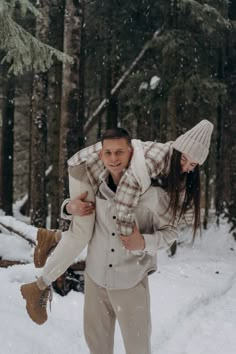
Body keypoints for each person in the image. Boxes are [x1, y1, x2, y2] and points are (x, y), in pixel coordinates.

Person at [20, 121, 213, 329]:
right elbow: (124, 197)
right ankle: (37, 287)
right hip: (85, 168)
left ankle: (52, 238)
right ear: (177, 149)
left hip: (104, 172)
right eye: (184, 159)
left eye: (193, 165)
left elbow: (178, 214)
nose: (186, 167)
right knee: (82, 234)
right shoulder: (156, 160)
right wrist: (127, 236)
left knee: (93, 226)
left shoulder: (177, 170)